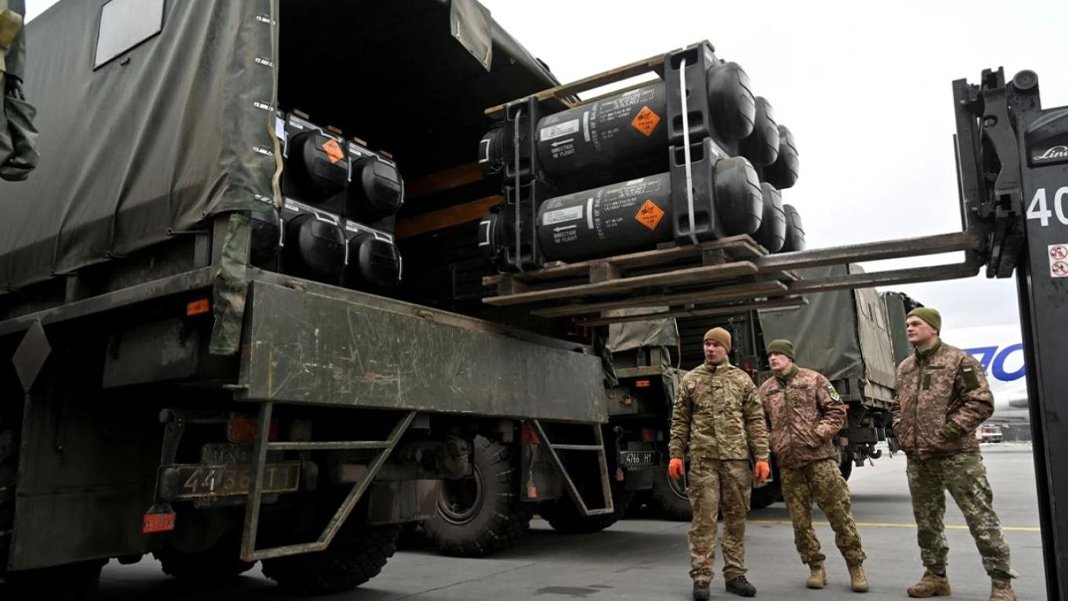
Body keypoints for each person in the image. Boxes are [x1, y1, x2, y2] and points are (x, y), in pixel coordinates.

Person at [893, 308, 1016, 601]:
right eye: (907, 324)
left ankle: (1001, 583)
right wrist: (900, 430)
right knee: (927, 521)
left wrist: (947, 432)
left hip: (957, 456)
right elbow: (897, 405)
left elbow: (981, 402)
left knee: (980, 518)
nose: (909, 328)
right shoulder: (905, 367)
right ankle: (935, 576)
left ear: (933, 328)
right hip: (919, 458)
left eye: (916, 323)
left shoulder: (958, 361)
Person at [758, 338, 868, 592]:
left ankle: (855, 566)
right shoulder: (766, 390)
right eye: (770, 355)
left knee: (839, 514)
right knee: (800, 522)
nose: (773, 358)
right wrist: (773, 441)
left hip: (820, 461)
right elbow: (758, 423)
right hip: (789, 465)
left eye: (778, 354)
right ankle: (815, 567)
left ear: (790, 357)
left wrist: (819, 434)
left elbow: (837, 410)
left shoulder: (813, 380)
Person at [668, 327, 770, 600]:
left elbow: (755, 421)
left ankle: (735, 575)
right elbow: (680, 422)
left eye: (715, 345)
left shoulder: (742, 381)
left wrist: (762, 457)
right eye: (706, 344)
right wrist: (675, 454)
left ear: (727, 348)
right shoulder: (691, 380)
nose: (710, 349)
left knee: (736, 519)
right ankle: (701, 578)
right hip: (703, 461)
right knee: (704, 521)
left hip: (736, 461)